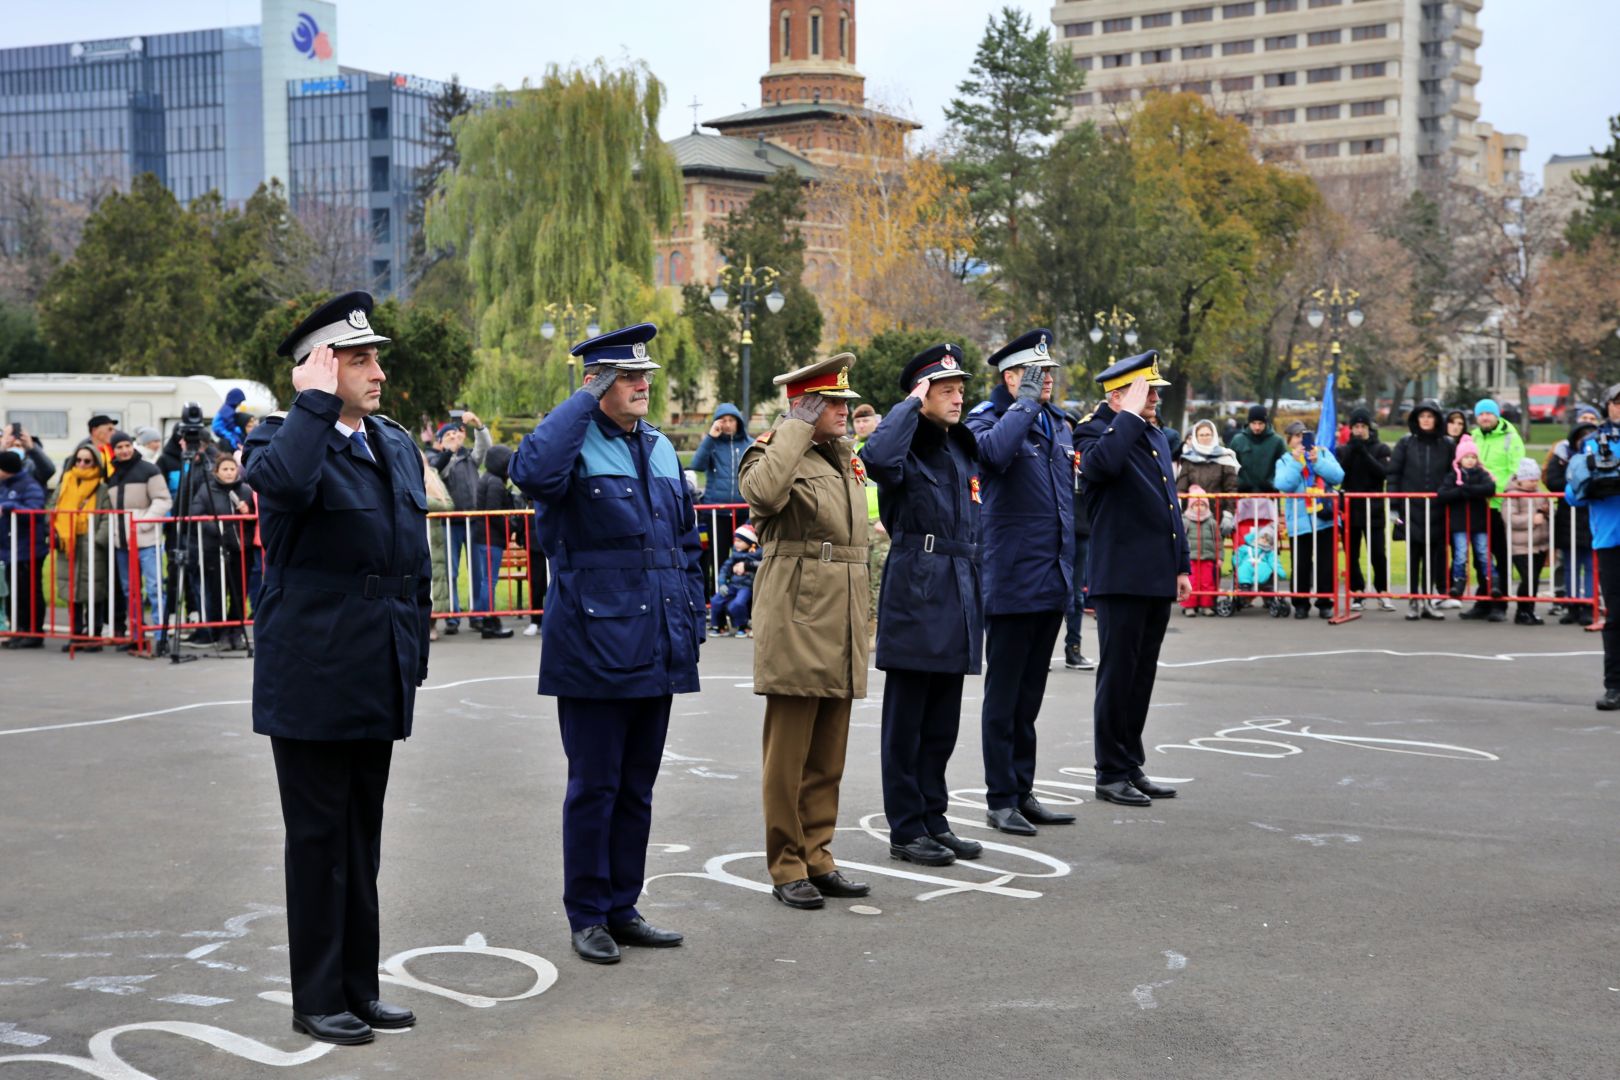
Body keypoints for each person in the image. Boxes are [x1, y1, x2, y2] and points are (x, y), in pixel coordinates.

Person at [241, 291, 430, 1045]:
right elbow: (284, 488)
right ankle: (316, 997)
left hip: (376, 664)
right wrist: (313, 404)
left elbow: (407, 561)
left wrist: (409, 649)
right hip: (314, 670)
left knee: (362, 839)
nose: (377, 370)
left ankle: (359, 984)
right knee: (319, 843)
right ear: (318, 368)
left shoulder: (389, 442)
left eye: (375, 356)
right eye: (358, 358)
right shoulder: (281, 439)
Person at [509, 323, 703, 963]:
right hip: (594, 642)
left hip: (657, 640)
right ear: (595, 384)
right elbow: (532, 472)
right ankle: (588, 913)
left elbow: (683, 545)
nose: (642, 384)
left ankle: (623, 906)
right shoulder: (570, 444)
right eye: (627, 376)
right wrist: (580, 403)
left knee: (637, 786)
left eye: (645, 373)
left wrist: (692, 621)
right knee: (595, 785)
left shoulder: (660, 446)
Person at [737, 352, 872, 910]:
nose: (843, 410)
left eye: (844, 401)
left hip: (841, 615)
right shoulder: (773, 451)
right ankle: (786, 863)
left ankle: (818, 854)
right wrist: (794, 425)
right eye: (831, 402)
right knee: (788, 755)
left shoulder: (842, 459)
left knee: (828, 754)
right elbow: (763, 496)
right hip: (797, 613)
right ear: (806, 405)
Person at [862, 343, 984, 868]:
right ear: (922, 393)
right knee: (907, 721)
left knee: (942, 723)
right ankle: (906, 828)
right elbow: (876, 459)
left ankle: (935, 817)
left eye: (961, 390)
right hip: (917, 585)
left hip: (957, 584)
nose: (958, 400)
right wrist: (909, 405)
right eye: (946, 391)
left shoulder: (959, 446)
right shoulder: (903, 444)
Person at [964, 329, 1076, 836]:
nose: (1047, 379)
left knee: (1030, 696)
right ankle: (1000, 797)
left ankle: (1023, 789)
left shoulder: (1058, 423)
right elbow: (992, 455)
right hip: (1011, 579)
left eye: (1049, 372)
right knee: (1004, 696)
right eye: (1036, 373)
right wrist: (1025, 405)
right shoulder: (989, 421)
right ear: (1011, 378)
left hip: (1051, 576)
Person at [1074, 352, 1191, 808]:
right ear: (1119, 395)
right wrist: (1124, 416)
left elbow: (1169, 503)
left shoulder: (1153, 434)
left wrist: (1180, 564)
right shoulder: (1093, 430)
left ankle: (1130, 763)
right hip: (1120, 575)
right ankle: (1109, 770)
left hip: (1155, 572)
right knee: (1118, 675)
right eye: (1149, 391)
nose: (1157, 398)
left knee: (1141, 676)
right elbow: (1100, 467)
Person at [105, 430, 172, 652]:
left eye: (126, 446)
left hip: (147, 540)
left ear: (132, 445)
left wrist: (142, 524)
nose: (123, 451)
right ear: (113, 450)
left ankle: (161, 636)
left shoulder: (149, 470)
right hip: (122, 543)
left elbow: (163, 500)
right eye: (118, 447)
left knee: (154, 588)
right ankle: (136, 635)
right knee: (129, 590)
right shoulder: (113, 475)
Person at [1387, 399, 1454, 621]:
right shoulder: (1405, 443)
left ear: (1436, 419)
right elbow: (1394, 475)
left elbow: (1453, 474)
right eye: (1422, 416)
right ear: (1417, 420)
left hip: (1437, 509)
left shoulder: (1447, 444)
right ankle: (1414, 600)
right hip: (1411, 509)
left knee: (1433, 557)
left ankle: (1427, 600)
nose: (1426, 420)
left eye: (1430, 416)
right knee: (1414, 555)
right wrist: (1394, 507)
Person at [1274, 421, 1345, 619]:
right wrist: (1297, 463)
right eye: (1296, 437)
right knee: (1300, 564)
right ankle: (1301, 604)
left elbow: (1339, 476)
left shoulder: (1322, 454)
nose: (1300, 441)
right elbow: (1283, 484)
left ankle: (1325, 603)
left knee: (1326, 564)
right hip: (1299, 521)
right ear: (1289, 441)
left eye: (1303, 437)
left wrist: (1317, 462)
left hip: (1325, 518)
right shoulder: (1285, 460)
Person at [430, 411, 491, 634]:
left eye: (457, 434)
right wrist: (449, 450)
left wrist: (478, 424)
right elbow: (437, 469)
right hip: (450, 523)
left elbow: (485, 448)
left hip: (473, 521)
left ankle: (477, 615)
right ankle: (452, 617)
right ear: (440, 441)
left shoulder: (470, 458)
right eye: (449, 435)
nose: (455, 438)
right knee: (450, 571)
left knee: (477, 571)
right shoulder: (440, 460)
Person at [1467, 399, 1525, 621]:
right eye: (1481, 414)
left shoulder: (1511, 436)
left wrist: (1495, 488)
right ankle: (1482, 600)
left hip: (1500, 504)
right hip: (1478, 504)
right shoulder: (1473, 436)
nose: (1485, 418)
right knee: (1480, 556)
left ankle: (1499, 604)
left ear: (1497, 415)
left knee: (1501, 554)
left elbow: (1516, 469)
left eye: (1489, 414)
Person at [190, 453, 255, 650]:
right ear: (216, 471)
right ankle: (221, 632)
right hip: (215, 549)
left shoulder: (245, 491)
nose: (228, 473)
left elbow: (255, 518)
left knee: (239, 592)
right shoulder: (207, 490)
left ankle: (236, 630)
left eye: (232, 469)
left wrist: (248, 511)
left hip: (240, 549)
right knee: (217, 591)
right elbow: (196, 515)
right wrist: (219, 528)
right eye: (224, 469)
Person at [51, 443, 111, 650]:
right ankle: (76, 635)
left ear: (95, 462)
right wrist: (57, 534)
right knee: (72, 592)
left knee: (94, 590)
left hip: (91, 543)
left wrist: (98, 540)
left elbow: (106, 516)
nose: (82, 464)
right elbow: (52, 508)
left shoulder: (102, 488)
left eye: (87, 460)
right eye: (79, 460)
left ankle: (94, 636)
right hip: (68, 544)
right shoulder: (65, 483)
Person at [1340, 407, 1395, 612]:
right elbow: (1340, 475)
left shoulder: (1381, 449)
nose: (1360, 430)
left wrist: (1364, 453)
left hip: (1373, 509)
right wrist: (1353, 452)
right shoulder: (1344, 449)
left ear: (1369, 428)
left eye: (1363, 426)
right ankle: (1357, 591)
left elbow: (1383, 473)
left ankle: (1382, 591)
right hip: (1351, 509)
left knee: (1378, 554)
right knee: (1352, 554)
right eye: (1356, 426)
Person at [1438, 434, 1499, 612]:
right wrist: (1461, 492)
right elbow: (1443, 494)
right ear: (1460, 459)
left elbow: (1490, 488)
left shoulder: (1482, 474)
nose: (1470, 461)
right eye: (1467, 457)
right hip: (1459, 524)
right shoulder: (1452, 476)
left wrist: (1467, 490)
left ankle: (1493, 581)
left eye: (1473, 457)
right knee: (1460, 554)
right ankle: (1458, 582)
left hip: (1479, 523)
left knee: (1483, 552)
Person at [1546, 418, 1597, 625]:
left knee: (1589, 564)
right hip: (1568, 515)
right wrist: (1575, 483)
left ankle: (1588, 604)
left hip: (1591, 515)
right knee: (1570, 564)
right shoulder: (1562, 457)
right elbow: (1552, 481)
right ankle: (1572, 603)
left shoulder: (1598, 457)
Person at [0, 450, 48, 647]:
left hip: (27, 548)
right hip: (9, 549)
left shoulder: (29, 485)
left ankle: (34, 632)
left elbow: (36, 510)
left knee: (29, 591)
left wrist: (9, 506)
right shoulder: (4, 485)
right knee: (13, 591)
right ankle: (19, 629)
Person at [471, 444, 517, 640]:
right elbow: (494, 513)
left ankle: (486, 619)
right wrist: (511, 526)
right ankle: (490, 623)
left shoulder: (488, 479)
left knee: (486, 581)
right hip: (491, 538)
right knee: (489, 581)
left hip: (485, 536)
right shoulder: (496, 482)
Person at [1064, 410, 1095, 671]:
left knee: (1075, 596)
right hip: (1056, 532)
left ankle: (1073, 649)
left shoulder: (1082, 456)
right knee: (1051, 594)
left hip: (1081, 531)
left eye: (1068, 426)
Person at [1504, 458, 1550, 625]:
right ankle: (1521, 611)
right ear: (1521, 479)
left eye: (1536, 480)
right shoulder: (1511, 495)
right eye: (1530, 480)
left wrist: (1547, 512)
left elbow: (1549, 511)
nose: (1534, 483)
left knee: (1535, 579)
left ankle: (1530, 610)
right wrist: (1532, 519)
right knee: (1528, 577)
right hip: (1521, 546)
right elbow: (1510, 518)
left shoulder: (1540, 494)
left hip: (1539, 545)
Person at [421, 449, 454, 642]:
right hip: (420, 535)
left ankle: (432, 624)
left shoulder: (432, 475)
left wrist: (424, 501)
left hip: (435, 538)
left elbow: (448, 504)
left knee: (436, 579)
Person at [709, 522, 760, 636]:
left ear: (750, 542)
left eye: (740, 541)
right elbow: (724, 570)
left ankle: (743, 625)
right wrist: (722, 583)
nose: (736, 543)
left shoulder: (757, 554)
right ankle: (720, 625)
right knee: (716, 600)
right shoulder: (734, 556)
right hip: (733, 585)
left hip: (747, 586)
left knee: (737, 604)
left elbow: (760, 565)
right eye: (735, 540)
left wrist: (747, 565)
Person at [1180, 485, 1221, 616]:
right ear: (1190, 506)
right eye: (1196, 504)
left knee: (1207, 582)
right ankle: (1189, 605)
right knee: (1191, 582)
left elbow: (1218, 541)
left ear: (1207, 506)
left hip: (1208, 557)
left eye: (1202, 504)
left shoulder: (1211, 522)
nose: (1199, 507)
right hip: (1190, 558)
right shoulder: (1185, 521)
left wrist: (1219, 557)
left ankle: (1206, 605)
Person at [1229, 405, 1286, 494]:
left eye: (1260, 423)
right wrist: (1241, 483)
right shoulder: (1238, 441)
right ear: (1249, 423)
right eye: (1254, 423)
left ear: (1266, 423)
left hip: (1269, 493)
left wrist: (1272, 483)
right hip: (1244, 493)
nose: (1257, 427)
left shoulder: (1277, 442)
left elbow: (1283, 467)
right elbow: (1230, 467)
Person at [1177, 419, 1239, 498]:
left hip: (1218, 507)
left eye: (1207, 435)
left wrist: (1229, 510)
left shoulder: (1224, 457)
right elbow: (1181, 488)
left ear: (1213, 436)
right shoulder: (1188, 459)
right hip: (1194, 507)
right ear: (1196, 437)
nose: (1205, 438)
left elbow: (1231, 488)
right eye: (1201, 435)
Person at [1235, 524, 1282, 613]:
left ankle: (1269, 597)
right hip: (1248, 566)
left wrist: (1279, 570)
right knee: (1244, 569)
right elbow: (1238, 555)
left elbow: (1274, 561)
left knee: (1266, 571)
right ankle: (1245, 586)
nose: (1264, 541)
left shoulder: (1269, 552)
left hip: (1262, 570)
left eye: (1267, 540)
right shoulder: (1246, 548)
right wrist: (1236, 562)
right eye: (1262, 538)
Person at [0, 424, 56, 489]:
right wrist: (2, 450)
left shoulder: (32, 466)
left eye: (18, 446)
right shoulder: (2, 465)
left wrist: (32, 448)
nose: (14, 448)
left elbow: (49, 471)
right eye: (11, 445)